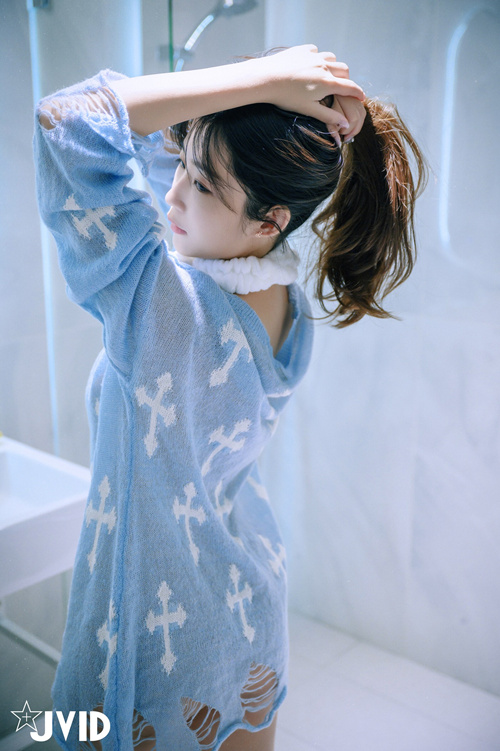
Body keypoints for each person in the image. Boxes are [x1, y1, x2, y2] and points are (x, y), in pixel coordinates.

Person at [34, 45, 426, 751]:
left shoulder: (164, 312)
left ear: (270, 219)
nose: (172, 195)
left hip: (151, 652)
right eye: (181, 166)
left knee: (63, 732)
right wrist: (253, 105)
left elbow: (68, 123)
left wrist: (260, 80)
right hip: (245, 619)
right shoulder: (281, 300)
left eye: (201, 185)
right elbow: (183, 166)